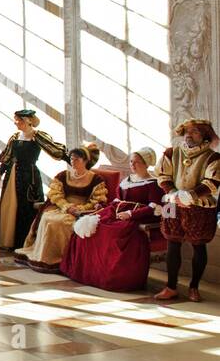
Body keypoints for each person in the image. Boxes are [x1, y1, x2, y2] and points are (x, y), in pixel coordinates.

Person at [63, 148, 163, 292]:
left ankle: (112, 278)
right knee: (90, 225)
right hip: (116, 213)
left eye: (137, 162)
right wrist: (102, 208)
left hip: (135, 218)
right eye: (131, 162)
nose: (132, 165)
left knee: (111, 234)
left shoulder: (153, 183)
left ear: (146, 164)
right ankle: (89, 274)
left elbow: (154, 207)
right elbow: (116, 201)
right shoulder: (127, 181)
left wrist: (130, 214)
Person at [155, 118, 220, 302]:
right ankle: (171, 287)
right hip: (171, 203)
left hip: (200, 206)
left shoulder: (213, 157)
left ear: (205, 135)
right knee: (172, 244)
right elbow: (163, 175)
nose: (189, 135)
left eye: (195, 132)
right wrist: (174, 193)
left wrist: (190, 196)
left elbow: (212, 182)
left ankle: (194, 287)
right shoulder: (171, 152)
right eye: (187, 132)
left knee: (199, 246)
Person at [16, 144, 107, 272]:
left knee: (62, 222)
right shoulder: (63, 175)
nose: (73, 162)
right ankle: (43, 256)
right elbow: (56, 194)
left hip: (82, 210)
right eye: (71, 159)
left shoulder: (96, 179)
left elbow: (97, 200)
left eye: (76, 159)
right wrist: (66, 206)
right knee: (48, 218)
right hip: (62, 207)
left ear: (85, 160)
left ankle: (61, 259)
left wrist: (80, 208)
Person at [0, 109, 69, 253]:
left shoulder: (37, 136)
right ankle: (8, 240)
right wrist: (0, 173)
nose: (16, 122)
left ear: (28, 120)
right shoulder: (15, 136)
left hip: (29, 177)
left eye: (18, 120)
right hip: (12, 175)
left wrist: (71, 160)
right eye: (15, 119)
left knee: (26, 207)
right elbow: (8, 157)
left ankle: (23, 242)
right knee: (9, 207)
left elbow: (54, 149)